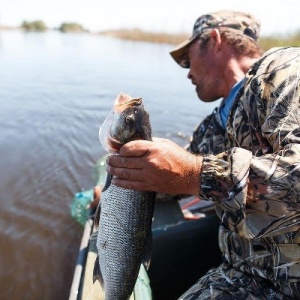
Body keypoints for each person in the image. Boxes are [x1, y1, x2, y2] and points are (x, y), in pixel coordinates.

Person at [100, 10, 300, 299]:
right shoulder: (213, 126)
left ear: (215, 40)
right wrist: (132, 179)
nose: (187, 71)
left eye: (187, 58)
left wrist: (196, 174)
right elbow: (175, 178)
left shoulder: (286, 71)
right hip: (242, 267)